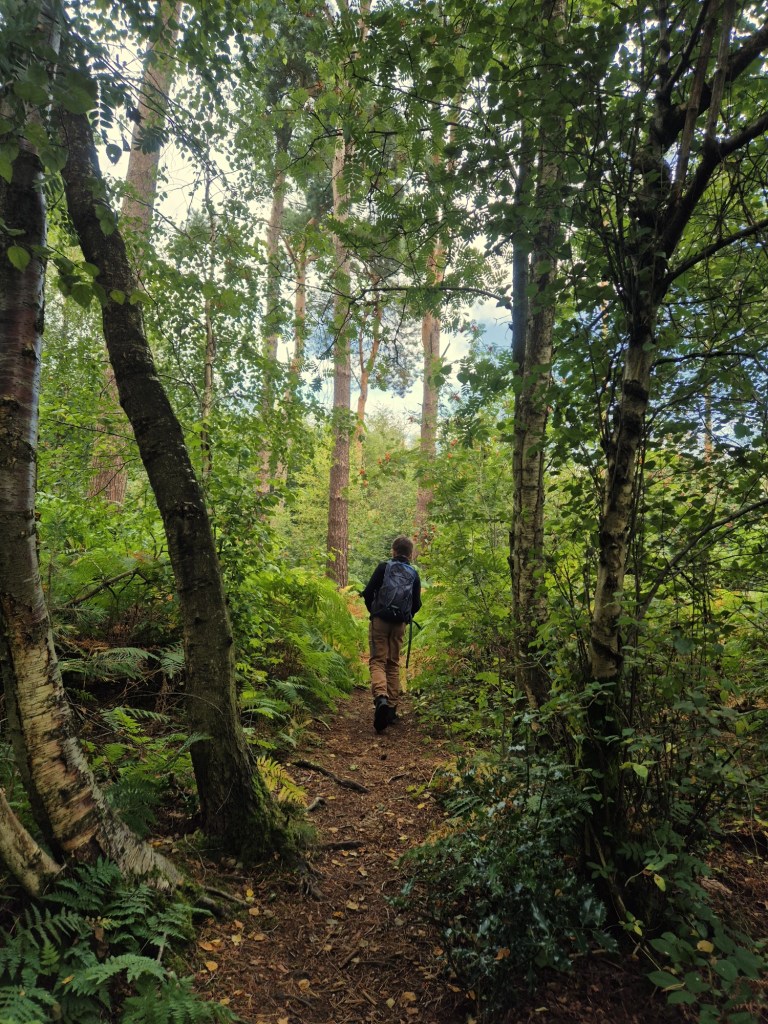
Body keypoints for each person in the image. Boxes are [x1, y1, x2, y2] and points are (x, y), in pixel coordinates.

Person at [361, 535, 421, 733]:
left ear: (393, 551)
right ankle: (392, 710)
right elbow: (417, 604)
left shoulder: (383, 567)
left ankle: (381, 698)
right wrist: (406, 616)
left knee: (378, 660)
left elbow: (368, 592)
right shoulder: (413, 574)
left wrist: (374, 611)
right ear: (410, 554)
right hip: (399, 624)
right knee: (393, 663)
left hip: (380, 620)